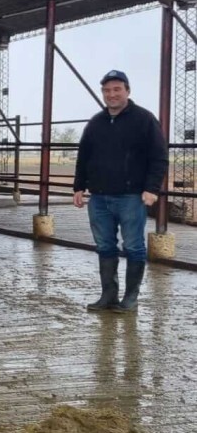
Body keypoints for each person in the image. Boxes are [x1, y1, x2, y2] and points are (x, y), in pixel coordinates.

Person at [73, 70, 168, 313]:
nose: (111, 94)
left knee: (134, 245)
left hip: (131, 196)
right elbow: (84, 157)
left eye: (117, 89)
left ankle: (131, 298)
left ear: (127, 91)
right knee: (104, 245)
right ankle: (108, 295)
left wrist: (151, 188)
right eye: (106, 90)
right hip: (99, 197)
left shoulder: (144, 120)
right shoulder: (95, 122)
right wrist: (78, 187)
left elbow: (159, 157)